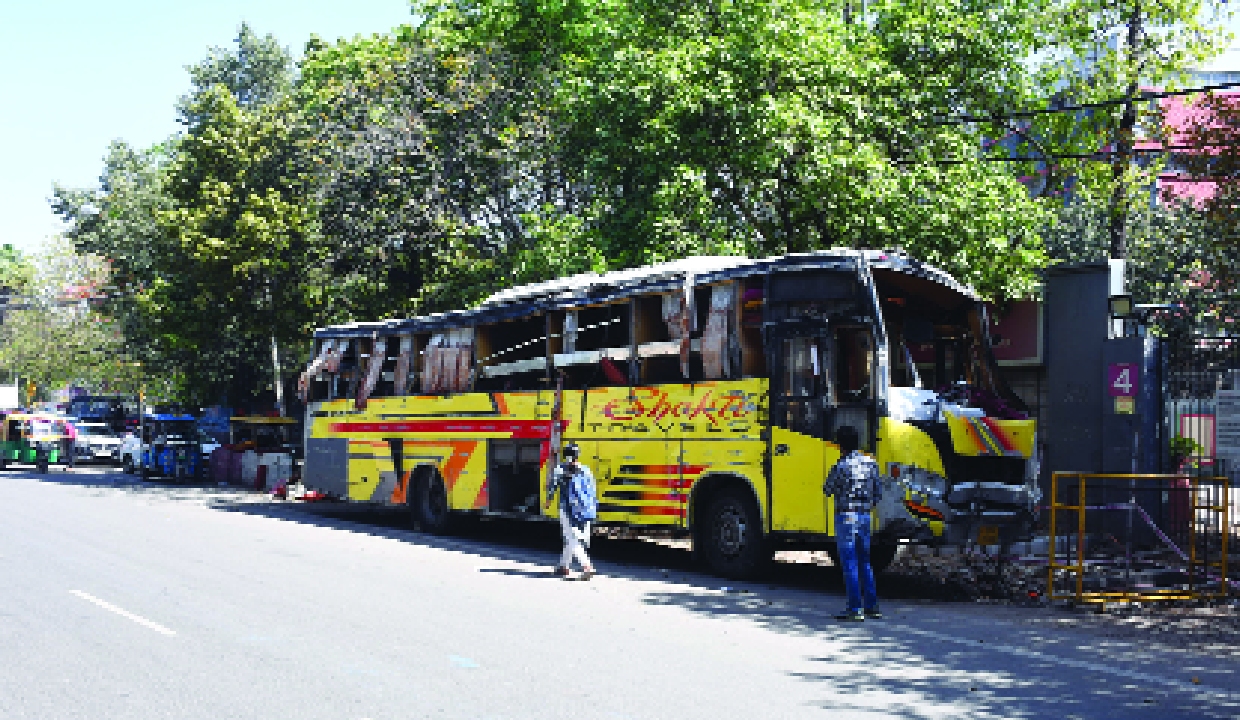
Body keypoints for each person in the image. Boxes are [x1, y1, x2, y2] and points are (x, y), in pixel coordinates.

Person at [823, 425, 882, 621]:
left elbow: (827, 489)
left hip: (846, 516)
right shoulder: (871, 463)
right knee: (865, 562)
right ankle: (872, 606)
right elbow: (878, 494)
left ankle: (855, 608)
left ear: (840, 445)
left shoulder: (841, 466)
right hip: (865, 516)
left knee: (849, 563)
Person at [544, 442, 598, 580]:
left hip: (567, 508)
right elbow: (593, 489)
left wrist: (548, 501)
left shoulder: (560, 469)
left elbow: (552, 486)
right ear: (577, 455)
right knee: (570, 537)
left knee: (572, 538)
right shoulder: (586, 470)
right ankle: (563, 567)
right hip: (584, 508)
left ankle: (587, 566)